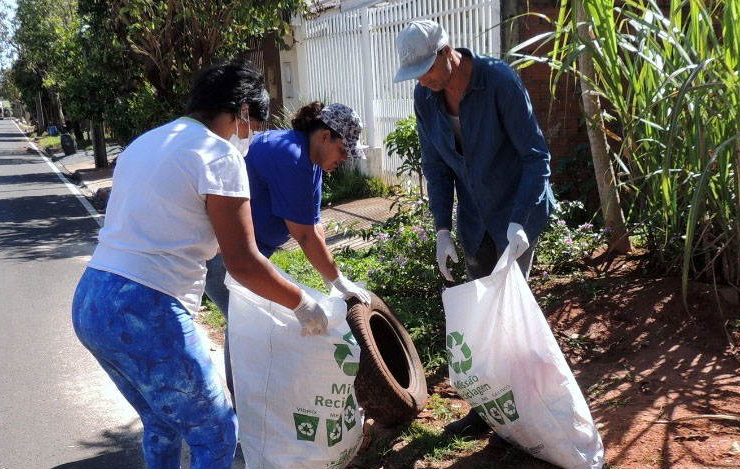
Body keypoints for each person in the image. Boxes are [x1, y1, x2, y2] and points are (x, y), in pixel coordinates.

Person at [71, 62, 327, 469]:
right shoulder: (217, 157)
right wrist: (303, 302)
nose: (253, 132)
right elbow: (244, 261)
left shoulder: (147, 142)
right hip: (147, 308)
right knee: (215, 431)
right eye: (252, 120)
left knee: (162, 420)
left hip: (92, 300)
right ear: (237, 113)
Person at [393, 19, 556, 437]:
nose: (424, 82)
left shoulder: (499, 82)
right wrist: (442, 229)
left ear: (448, 53)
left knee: (509, 317)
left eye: (427, 70)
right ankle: (489, 411)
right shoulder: (425, 98)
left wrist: (521, 222)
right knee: (480, 323)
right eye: (416, 76)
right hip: (474, 223)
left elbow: (536, 158)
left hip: (516, 216)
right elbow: (435, 167)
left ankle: (526, 413)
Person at [204, 101, 371, 398]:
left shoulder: (311, 161)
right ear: (324, 136)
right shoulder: (291, 157)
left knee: (251, 327)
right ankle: (245, 409)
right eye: (343, 150)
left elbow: (314, 225)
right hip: (224, 255)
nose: (344, 160)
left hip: (251, 253)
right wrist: (338, 282)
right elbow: (305, 237)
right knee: (245, 329)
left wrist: (336, 280)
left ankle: (256, 403)